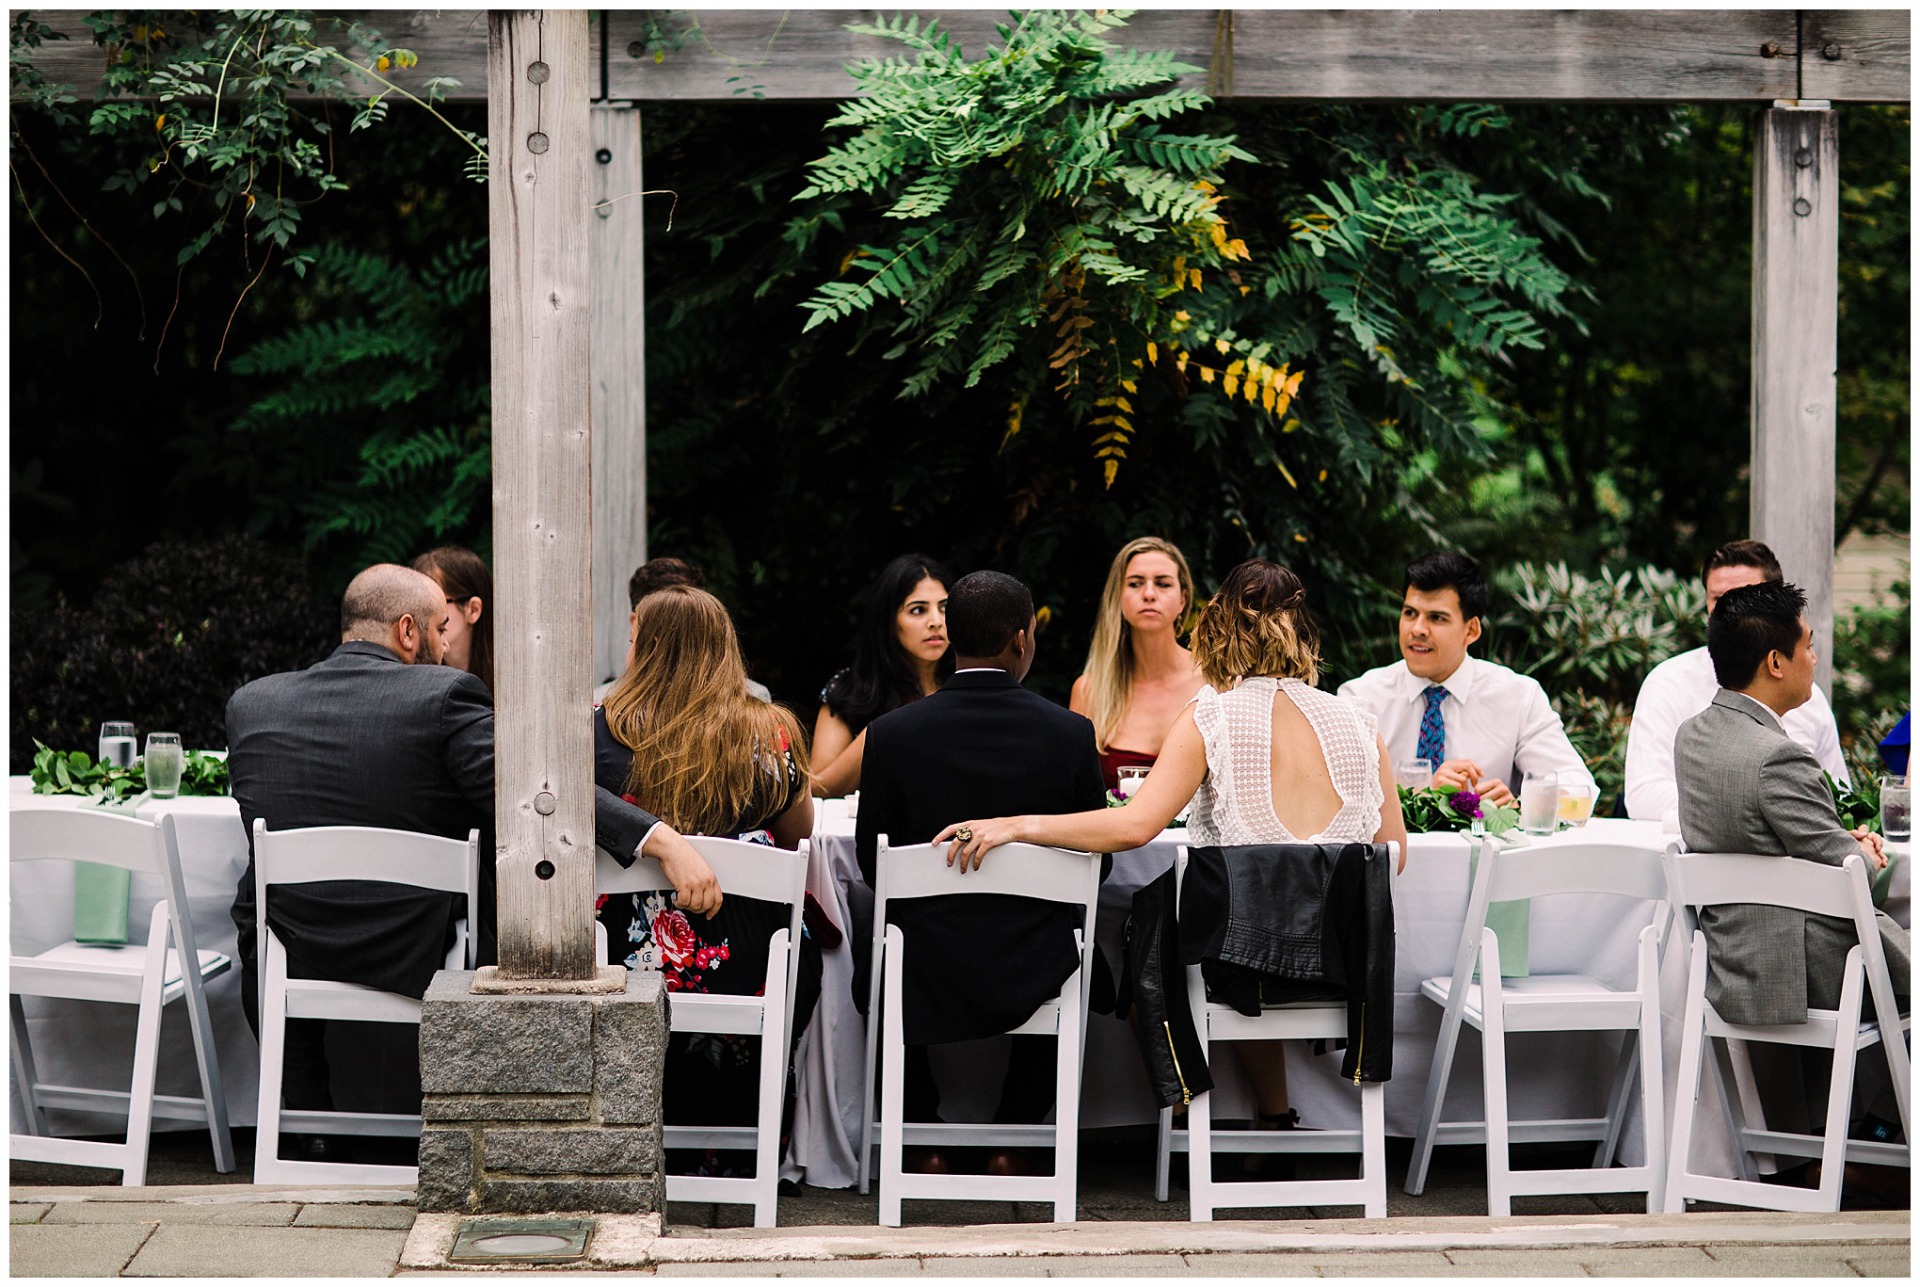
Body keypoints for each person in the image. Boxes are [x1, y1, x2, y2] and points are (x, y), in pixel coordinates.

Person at [226, 564, 719, 1157]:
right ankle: (480, 1133)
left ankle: (308, 1130)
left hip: (293, 942)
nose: (445, 645)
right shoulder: (443, 696)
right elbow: (536, 795)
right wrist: (659, 838)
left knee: (257, 911)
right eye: (439, 630)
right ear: (407, 632)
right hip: (416, 944)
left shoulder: (253, 704)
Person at [940, 560, 1407, 1139]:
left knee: (1146, 929)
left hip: (1243, 968)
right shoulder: (1359, 720)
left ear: (1219, 627)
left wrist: (1017, 825)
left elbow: (1135, 827)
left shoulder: (1210, 716)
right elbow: (1391, 857)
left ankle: (1185, 1109)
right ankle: (1271, 1119)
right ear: (1305, 630)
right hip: (1342, 966)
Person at [854, 570, 1106, 1163]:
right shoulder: (1069, 734)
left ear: (954, 636)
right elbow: (1099, 867)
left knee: (885, 946)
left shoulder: (892, 735)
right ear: (1023, 639)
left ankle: (921, 1138)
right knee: (1078, 945)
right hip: (1036, 956)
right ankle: (1013, 1140)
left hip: (927, 961)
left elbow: (873, 866)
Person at [1673, 580, 1909, 1158]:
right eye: (1807, 645)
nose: (1814, 657)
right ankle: (1885, 1140)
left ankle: (1861, 1143)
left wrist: (1835, 841)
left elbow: (1764, 836)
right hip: (1798, 965)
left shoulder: (1694, 736)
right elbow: (1848, 867)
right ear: (1775, 661)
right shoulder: (1778, 755)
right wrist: (1865, 851)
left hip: (1731, 954)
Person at [593, 585, 819, 1164]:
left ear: (644, 646)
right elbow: (797, 836)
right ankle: (754, 1130)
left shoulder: (600, 732)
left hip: (629, 960)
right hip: (749, 959)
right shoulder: (769, 733)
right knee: (812, 952)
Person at [1338, 550, 1593, 806]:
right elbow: (1334, 797)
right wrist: (1420, 794)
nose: (1417, 629)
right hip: (1389, 846)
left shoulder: (1519, 696)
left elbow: (1579, 789)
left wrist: (1522, 805)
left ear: (1471, 630)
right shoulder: (1361, 699)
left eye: (1436, 618)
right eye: (1410, 613)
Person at [1625, 539, 1848, 822]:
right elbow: (1644, 798)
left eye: (1742, 598)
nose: (1727, 613)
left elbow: (1839, 797)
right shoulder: (1668, 683)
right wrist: (1764, 811)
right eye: (1718, 600)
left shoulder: (1808, 697)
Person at [1070, 536, 1207, 792]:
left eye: (1163, 584)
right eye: (1135, 583)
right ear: (1118, 597)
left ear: (1183, 600)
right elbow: (1074, 794)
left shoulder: (1214, 681)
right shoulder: (1089, 691)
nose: (1149, 594)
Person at [811, 554, 953, 798]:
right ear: (889, 621)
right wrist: (882, 732)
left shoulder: (967, 683)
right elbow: (816, 788)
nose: (936, 622)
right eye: (918, 610)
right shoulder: (850, 691)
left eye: (944, 608)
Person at [592, 556, 773, 703]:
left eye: (690, 620)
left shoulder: (751, 701)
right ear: (635, 623)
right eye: (661, 623)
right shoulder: (601, 703)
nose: (675, 638)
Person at [412, 546, 493, 693]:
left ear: (473, 610)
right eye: (414, 604)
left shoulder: (510, 673)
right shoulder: (415, 677)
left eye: (431, 604)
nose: (418, 615)